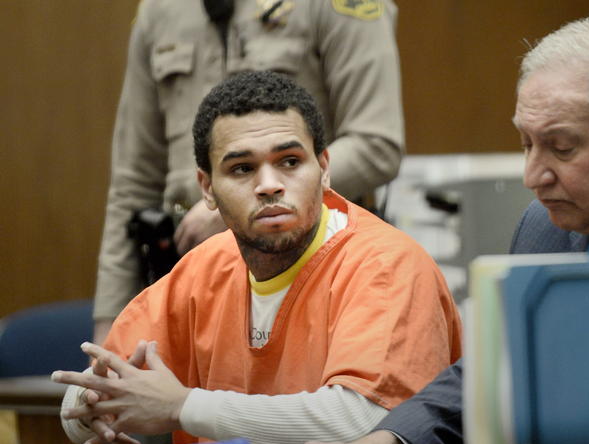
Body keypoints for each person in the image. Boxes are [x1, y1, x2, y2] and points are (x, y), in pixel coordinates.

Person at [298, 17, 589, 444]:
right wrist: (390, 443)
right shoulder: (543, 228)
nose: (532, 176)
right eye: (526, 144)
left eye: (561, 148)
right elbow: (497, 370)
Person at [52, 70, 460, 444]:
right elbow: (89, 394)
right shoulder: (204, 267)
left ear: (324, 169)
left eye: (290, 162)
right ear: (207, 189)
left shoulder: (385, 265)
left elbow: (363, 422)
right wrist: (91, 408)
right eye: (242, 168)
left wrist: (182, 407)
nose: (269, 185)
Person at [94, 0, 405, 344]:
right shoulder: (159, 9)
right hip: (185, 266)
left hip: (307, 264)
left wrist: (234, 205)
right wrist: (111, 321)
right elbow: (133, 183)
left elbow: (376, 144)